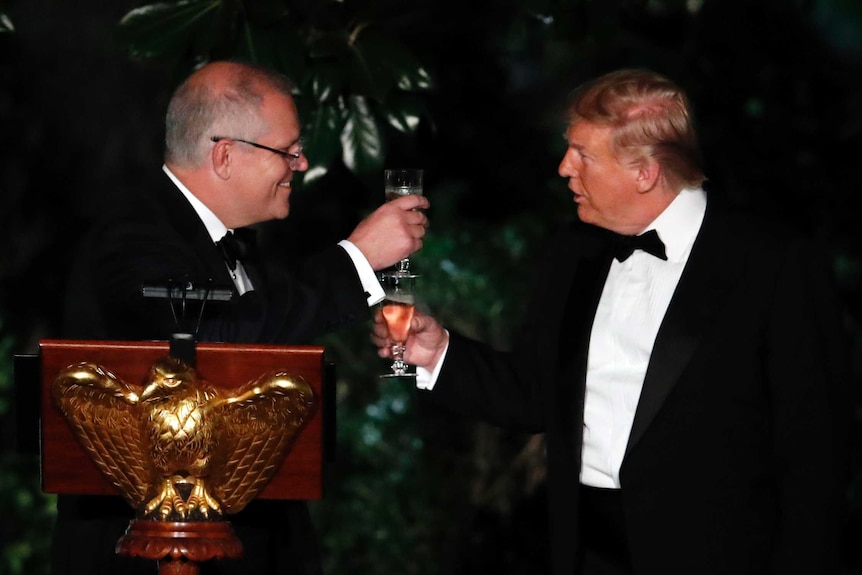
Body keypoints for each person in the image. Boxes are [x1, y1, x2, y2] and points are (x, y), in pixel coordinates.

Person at [373, 68, 850, 575]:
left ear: (644, 171)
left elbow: (815, 454)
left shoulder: (773, 264)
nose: (563, 168)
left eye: (582, 154)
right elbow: (535, 395)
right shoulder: (572, 251)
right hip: (585, 549)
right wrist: (435, 352)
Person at [56, 61, 429, 574]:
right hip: (152, 553)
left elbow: (265, 329)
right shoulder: (133, 232)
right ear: (226, 155)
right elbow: (204, 343)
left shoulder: (238, 242)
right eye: (289, 150)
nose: (300, 164)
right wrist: (357, 258)